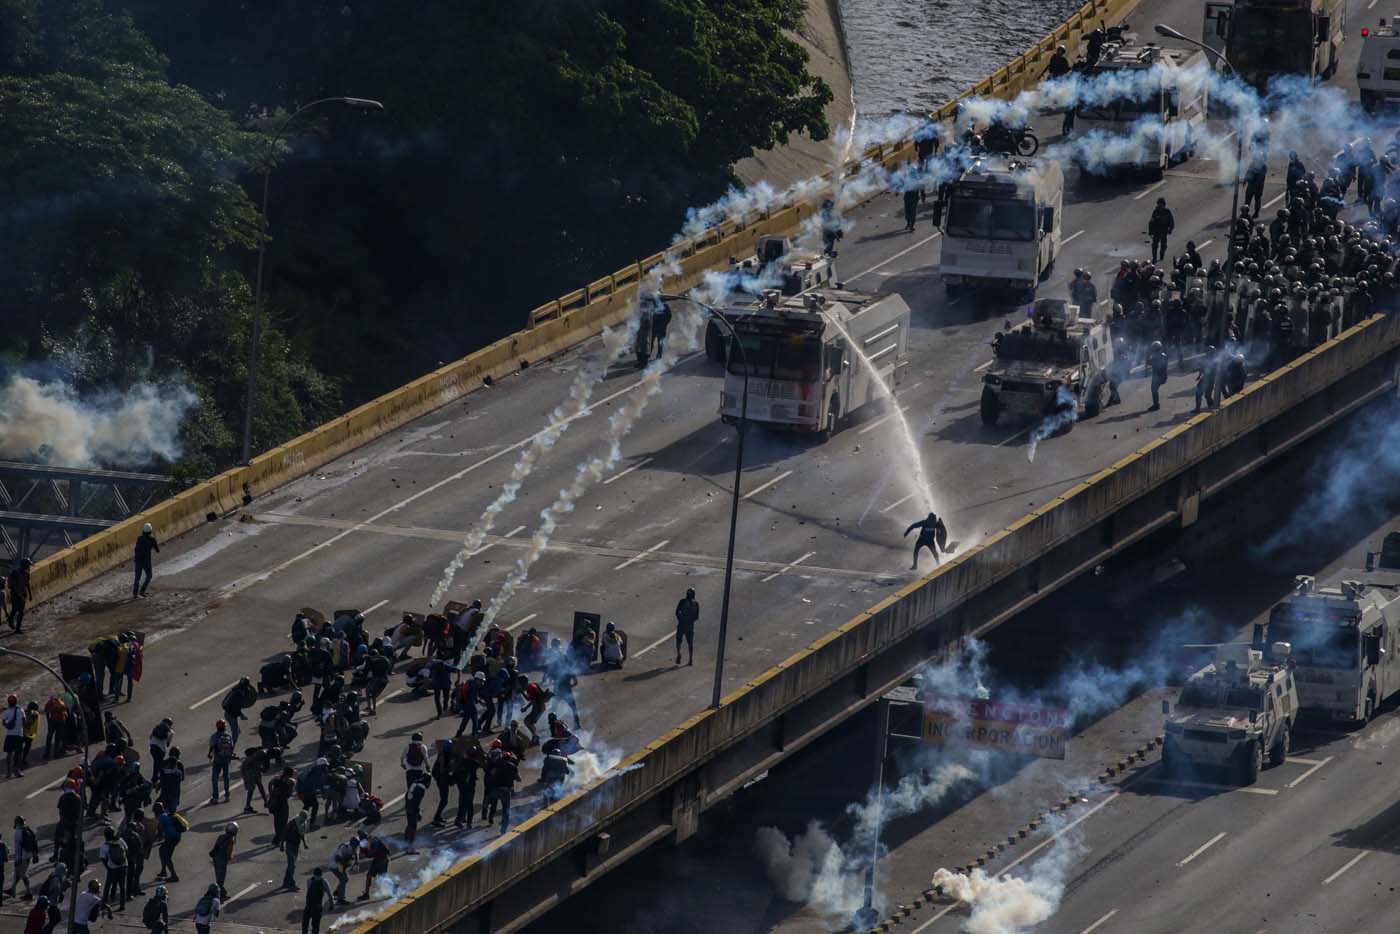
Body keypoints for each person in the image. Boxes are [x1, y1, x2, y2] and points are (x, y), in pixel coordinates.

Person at [153, 803, 183, 884]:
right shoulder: (165, 814)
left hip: (172, 838)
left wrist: (152, 840)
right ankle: (163, 871)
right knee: (161, 850)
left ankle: (174, 876)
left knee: (167, 856)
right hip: (175, 836)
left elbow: (160, 833)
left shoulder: (161, 817)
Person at [99, 826, 128, 910]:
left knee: (108, 885)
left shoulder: (105, 846)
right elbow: (126, 849)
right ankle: (122, 905)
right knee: (122, 886)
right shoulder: (120, 841)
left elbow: (103, 858)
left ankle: (104, 903)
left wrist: (108, 867)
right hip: (123, 866)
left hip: (112, 868)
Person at [207, 720, 235, 803]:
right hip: (226, 759)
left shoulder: (215, 736)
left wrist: (210, 754)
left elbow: (212, 747)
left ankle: (215, 797)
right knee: (226, 777)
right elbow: (232, 746)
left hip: (218, 760)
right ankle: (227, 796)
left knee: (215, 778)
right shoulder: (229, 735)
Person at [209, 822, 237, 899]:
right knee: (220, 880)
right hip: (222, 861)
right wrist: (230, 857)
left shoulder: (221, 836)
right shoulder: (230, 840)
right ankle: (221, 895)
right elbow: (228, 854)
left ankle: (221, 893)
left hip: (215, 859)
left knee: (218, 877)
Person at [358, 834, 390, 900]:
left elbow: (370, 854)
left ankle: (393, 889)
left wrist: (366, 852)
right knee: (375, 876)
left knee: (380, 877)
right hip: (380, 859)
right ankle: (366, 894)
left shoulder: (373, 842)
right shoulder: (372, 840)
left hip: (381, 859)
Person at [283, 807, 309, 890]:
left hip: (296, 846)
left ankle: (286, 882)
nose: (303, 820)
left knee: (291, 865)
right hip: (289, 845)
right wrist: (281, 844)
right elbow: (284, 833)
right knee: (292, 865)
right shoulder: (292, 823)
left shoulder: (303, 823)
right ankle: (291, 883)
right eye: (303, 818)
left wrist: (304, 843)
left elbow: (302, 834)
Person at [328, 835, 358, 905]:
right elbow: (337, 858)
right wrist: (343, 868)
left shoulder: (354, 847)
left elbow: (356, 853)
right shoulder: (344, 847)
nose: (356, 847)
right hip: (335, 865)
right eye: (354, 846)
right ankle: (340, 900)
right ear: (351, 844)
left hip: (341, 864)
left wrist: (356, 862)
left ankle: (337, 892)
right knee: (343, 879)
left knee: (345, 879)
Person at [302, 867, 333, 934]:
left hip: (308, 905)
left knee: (305, 924)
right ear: (321, 874)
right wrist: (331, 905)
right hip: (318, 906)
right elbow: (330, 894)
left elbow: (309, 891)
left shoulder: (309, 880)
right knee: (315, 926)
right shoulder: (324, 881)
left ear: (313, 874)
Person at [6, 558, 33, 633]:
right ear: (25, 565)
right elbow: (11, 586)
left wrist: (30, 594)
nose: (29, 567)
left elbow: (27, 584)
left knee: (21, 611)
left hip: (23, 594)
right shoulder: (15, 573)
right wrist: (18, 594)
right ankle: (11, 620)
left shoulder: (26, 573)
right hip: (15, 594)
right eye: (28, 565)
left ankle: (17, 628)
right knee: (15, 609)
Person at [132, 523, 159, 598]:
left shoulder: (139, 538)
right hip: (146, 561)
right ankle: (142, 591)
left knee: (137, 577)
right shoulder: (152, 539)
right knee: (149, 576)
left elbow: (136, 549)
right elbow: (157, 550)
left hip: (138, 560)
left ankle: (135, 593)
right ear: (150, 531)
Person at [12, 815, 35, 899]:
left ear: (17, 822)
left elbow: (18, 847)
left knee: (22, 874)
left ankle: (29, 893)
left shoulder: (18, 832)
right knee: (17, 873)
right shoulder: (27, 829)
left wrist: (17, 860)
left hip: (22, 857)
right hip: (28, 855)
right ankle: (12, 889)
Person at [674, 588, 699, 666]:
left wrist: (680, 619)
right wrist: (691, 621)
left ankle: (679, 655)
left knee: (679, 641)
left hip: (683, 625)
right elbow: (696, 616)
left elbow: (677, 612)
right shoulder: (695, 604)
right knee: (689, 643)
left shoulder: (683, 602)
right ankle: (690, 659)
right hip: (689, 626)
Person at [4, 694, 25, 778]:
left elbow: (4, 723)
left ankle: (8, 772)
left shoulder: (6, 711)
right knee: (18, 753)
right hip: (19, 735)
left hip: (9, 735)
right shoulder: (21, 710)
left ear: (8, 702)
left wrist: (9, 725)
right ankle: (17, 771)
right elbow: (24, 722)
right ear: (16, 701)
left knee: (9, 754)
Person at [1149, 197, 1175, 263]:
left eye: (1161, 204)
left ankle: (1161, 256)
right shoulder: (1156, 212)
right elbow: (1151, 222)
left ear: (1164, 204)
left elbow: (1171, 221)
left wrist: (1170, 229)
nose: (1160, 205)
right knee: (1154, 245)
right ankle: (1154, 258)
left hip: (1164, 231)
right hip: (1156, 231)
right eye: (1159, 204)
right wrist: (1150, 232)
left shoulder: (1167, 212)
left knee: (1164, 245)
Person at [1147, 340, 1169, 411]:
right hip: (1157, 376)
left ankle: (1156, 405)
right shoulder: (1158, 355)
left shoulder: (1161, 356)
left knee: (1154, 389)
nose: (1153, 350)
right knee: (1154, 390)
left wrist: (1151, 359)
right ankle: (1156, 404)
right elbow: (1150, 363)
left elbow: (1157, 365)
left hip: (1160, 376)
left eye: (1154, 348)